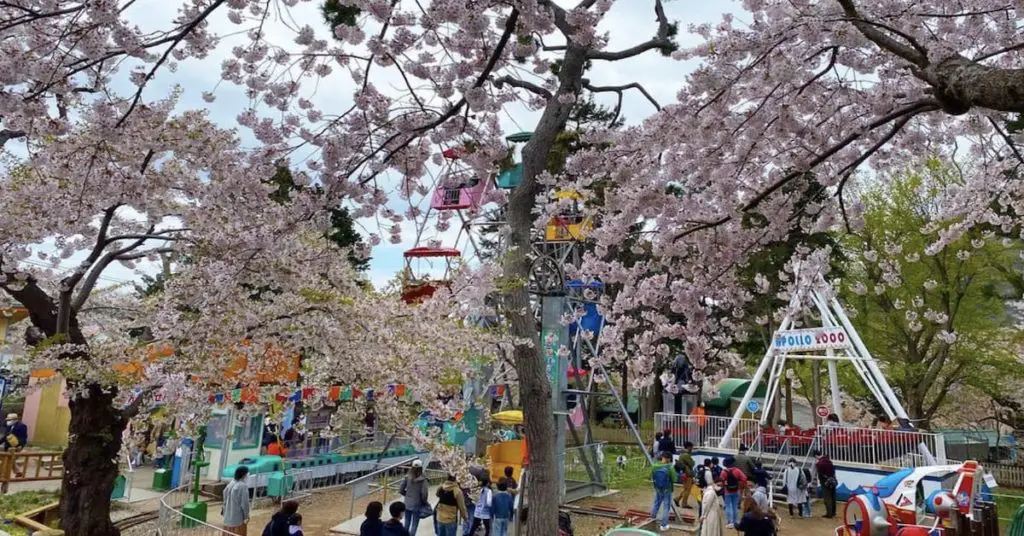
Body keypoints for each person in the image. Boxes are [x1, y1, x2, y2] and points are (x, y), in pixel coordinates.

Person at [399, 459, 429, 534]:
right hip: (417, 504)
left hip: (407, 503)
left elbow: (400, 490)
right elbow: (424, 494)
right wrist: (424, 502)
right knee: (414, 525)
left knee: (406, 523)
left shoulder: (407, 477)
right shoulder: (423, 480)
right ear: (421, 468)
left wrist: (407, 495)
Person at [650, 451, 677, 532]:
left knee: (656, 503)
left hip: (658, 488)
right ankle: (663, 525)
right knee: (666, 507)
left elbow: (651, 476)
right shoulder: (669, 467)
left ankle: (652, 519)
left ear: (662, 457)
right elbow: (674, 479)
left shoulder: (654, 466)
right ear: (668, 459)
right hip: (667, 489)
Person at [718, 456, 748, 528]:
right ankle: (735, 521)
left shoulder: (724, 472)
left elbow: (721, 479)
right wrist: (739, 484)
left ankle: (729, 522)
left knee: (728, 506)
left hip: (727, 491)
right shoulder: (737, 470)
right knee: (735, 506)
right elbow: (744, 478)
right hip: (736, 490)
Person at [222, 466, 251, 535]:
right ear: (244, 475)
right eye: (247, 474)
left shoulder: (231, 483)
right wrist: (246, 516)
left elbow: (224, 493)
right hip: (238, 519)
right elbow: (245, 504)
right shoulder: (243, 486)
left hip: (227, 517)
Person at [813, 449, 838, 518]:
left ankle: (829, 514)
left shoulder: (819, 464)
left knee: (827, 498)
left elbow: (820, 475)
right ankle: (833, 512)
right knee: (833, 496)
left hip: (825, 482)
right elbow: (833, 471)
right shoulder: (829, 460)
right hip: (833, 480)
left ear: (816, 456)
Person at [674, 441, 696, 508]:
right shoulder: (686, 455)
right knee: (687, 490)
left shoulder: (682, 454)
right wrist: (693, 461)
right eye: (692, 447)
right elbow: (692, 464)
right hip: (687, 473)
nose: (692, 448)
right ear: (689, 447)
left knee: (685, 488)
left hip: (685, 473)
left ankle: (677, 499)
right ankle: (684, 504)